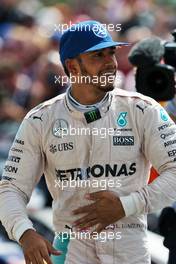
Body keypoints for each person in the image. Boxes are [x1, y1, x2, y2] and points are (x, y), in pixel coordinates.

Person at [0, 20, 176, 264]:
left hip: (129, 254)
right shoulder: (40, 119)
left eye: (111, 53)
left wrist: (125, 205)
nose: (110, 63)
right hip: (71, 254)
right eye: (97, 56)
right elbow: (11, 188)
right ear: (72, 66)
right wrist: (24, 232)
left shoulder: (142, 110)